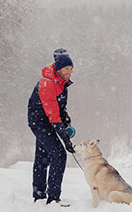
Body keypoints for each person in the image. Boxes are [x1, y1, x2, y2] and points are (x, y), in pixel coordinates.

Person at [28, 48, 75, 205]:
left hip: (48, 119)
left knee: (42, 157)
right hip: (40, 122)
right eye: (67, 69)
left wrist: (65, 116)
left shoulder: (61, 82)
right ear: (59, 68)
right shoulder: (47, 83)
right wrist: (65, 138)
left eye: (71, 69)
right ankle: (53, 197)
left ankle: (39, 195)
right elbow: (53, 115)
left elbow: (59, 109)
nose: (70, 72)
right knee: (59, 154)